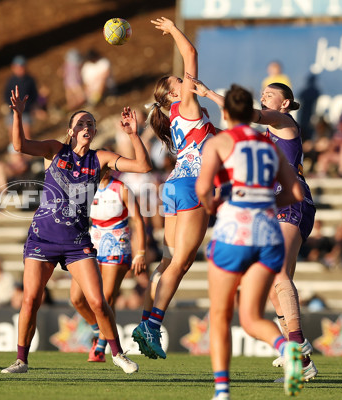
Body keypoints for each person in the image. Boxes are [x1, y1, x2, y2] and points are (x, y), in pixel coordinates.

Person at [1, 86, 151, 374]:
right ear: (70, 131)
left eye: (90, 124)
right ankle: (21, 360)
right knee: (31, 299)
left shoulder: (100, 158)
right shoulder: (54, 150)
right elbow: (19, 146)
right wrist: (18, 115)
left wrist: (134, 134)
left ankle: (117, 353)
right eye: (81, 123)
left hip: (77, 241)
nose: (86, 127)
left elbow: (143, 166)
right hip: (42, 238)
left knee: (97, 301)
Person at [187, 77, 319, 381]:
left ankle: (296, 344)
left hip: (291, 202)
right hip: (273, 204)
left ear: (285, 103)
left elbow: (247, 114)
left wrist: (208, 93)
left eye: (270, 95)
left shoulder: (283, 121)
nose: (264, 98)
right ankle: (302, 362)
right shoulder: (263, 139)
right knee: (274, 284)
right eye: (262, 94)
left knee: (278, 274)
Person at [131, 17, 215, 360]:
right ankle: (152, 324)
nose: (185, 80)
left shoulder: (179, 118)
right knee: (182, 262)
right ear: (174, 95)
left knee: (168, 260)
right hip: (192, 186)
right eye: (179, 81)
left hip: (173, 186)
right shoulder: (188, 105)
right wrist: (174, 31)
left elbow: (216, 143)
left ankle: (146, 319)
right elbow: (191, 52)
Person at [70, 169, 147, 362]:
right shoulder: (87, 189)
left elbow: (138, 220)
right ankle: (99, 329)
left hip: (116, 245)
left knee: (107, 297)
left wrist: (141, 252)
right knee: (76, 298)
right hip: (92, 245)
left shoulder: (121, 188)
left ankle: (101, 347)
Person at [3, 55, 39, 140]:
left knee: (27, 134)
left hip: (26, 111)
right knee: (13, 134)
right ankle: (15, 152)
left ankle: (27, 152)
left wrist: (31, 105)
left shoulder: (30, 80)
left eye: (22, 67)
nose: (20, 70)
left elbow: (34, 94)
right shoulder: (11, 81)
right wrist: (11, 105)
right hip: (13, 112)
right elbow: (6, 94)